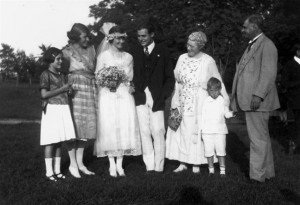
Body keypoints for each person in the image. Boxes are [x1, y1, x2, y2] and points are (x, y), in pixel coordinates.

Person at [166, 31, 230, 173]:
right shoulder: (182, 58)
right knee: (181, 130)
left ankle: (196, 162)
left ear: (200, 46)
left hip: (199, 102)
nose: (188, 49)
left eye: (192, 47)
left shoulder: (208, 61)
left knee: (196, 131)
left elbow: (217, 80)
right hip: (181, 99)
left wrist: (225, 99)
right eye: (188, 45)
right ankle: (182, 162)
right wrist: (174, 99)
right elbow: (176, 78)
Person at [231, 14, 280, 183]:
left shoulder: (267, 45)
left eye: (245, 27)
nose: (242, 30)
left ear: (255, 27)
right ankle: (267, 174)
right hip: (252, 100)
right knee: (262, 138)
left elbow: (268, 74)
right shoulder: (253, 45)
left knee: (257, 139)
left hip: (257, 101)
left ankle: (257, 178)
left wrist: (258, 95)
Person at [94, 24, 142, 177]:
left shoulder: (129, 57)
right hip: (108, 94)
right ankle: (111, 164)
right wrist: (107, 80)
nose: (121, 41)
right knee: (109, 126)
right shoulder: (103, 56)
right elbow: (97, 76)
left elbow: (130, 77)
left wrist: (130, 85)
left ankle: (120, 165)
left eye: (123, 38)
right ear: (111, 39)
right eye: (118, 38)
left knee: (123, 125)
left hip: (124, 94)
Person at [131, 21, 175, 173]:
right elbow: (132, 74)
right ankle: (149, 164)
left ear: (152, 35)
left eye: (144, 36)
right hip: (140, 96)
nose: (141, 39)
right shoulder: (135, 51)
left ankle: (159, 165)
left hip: (157, 96)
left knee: (158, 130)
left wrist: (163, 96)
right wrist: (134, 89)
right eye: (138, 36)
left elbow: (170, 77)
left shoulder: (163, 50)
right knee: (144, 130)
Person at [62, 23, 97, 178]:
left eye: (88, 36)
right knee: (74, 127)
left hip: (89, 89)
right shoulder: (67, 52)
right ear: (76, 37)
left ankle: (80, 163)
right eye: (84, 36)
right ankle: (72, 164)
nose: (87, 39)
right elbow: (61, 74)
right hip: (74, 90)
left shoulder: (91, 50)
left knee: (85, 127)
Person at [40, 47, 76, 181]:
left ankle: (57, 170)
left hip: (63, 108)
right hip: (52, 109)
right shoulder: (45, 74)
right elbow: (44, 94)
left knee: (59, 141)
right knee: (50, 141)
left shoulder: (62, 75)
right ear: (50, 60)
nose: (61, 61)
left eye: (62, 58)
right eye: (58, 59)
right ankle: (49, 172)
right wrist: (62, 89)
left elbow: (66, 92)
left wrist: (69, 91)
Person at [201, 77, 234, 177]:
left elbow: (226, 113)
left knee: (221, 151)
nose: (214, 93)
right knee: (209, 151)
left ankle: (222, 171)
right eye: (211, 91)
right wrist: (201, 131)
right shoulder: (206, 101)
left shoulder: (222, 101)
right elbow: (203, 116)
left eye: (216, 90)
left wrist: (231, 113)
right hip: (207, 131)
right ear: (208, 90)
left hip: (220, 131)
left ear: (220, 90)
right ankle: (211, 170)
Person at [281, 43, 300, 154]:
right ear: (297, 52)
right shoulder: (289, 65)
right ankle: (293, 145)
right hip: (296, 100)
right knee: (296, 125)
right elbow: (284, 83)